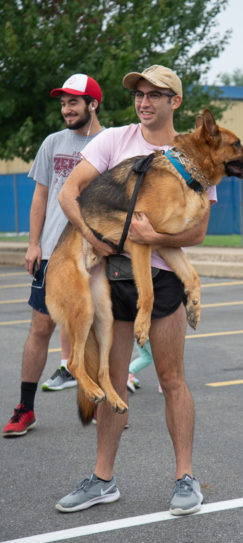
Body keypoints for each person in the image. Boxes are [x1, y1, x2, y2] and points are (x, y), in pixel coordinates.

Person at [55, 65, 216, 516]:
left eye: (155, 95)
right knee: (111, 380)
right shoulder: (113, 140)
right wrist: (94, 238)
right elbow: (70, 192)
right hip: (111, 279)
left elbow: (199, 231)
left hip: (163, 279)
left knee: (171, 379)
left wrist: (154, 239)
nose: (144, 102)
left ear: (175, 102)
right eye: (139, 94)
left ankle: (185, 477)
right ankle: (103, 479)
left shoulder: (191, 154)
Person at [3, 74, 104, 437]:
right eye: (63, 103)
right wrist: (34, 244)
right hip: (53, 256)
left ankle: (102, 404)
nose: (66, 109)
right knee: (41, 328)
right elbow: (41, 196)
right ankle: (25, 409)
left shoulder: (110, 143)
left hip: (97, 256)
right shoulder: (53, 143)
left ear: (93, 104)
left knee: (100, 329)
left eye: (73, 102)